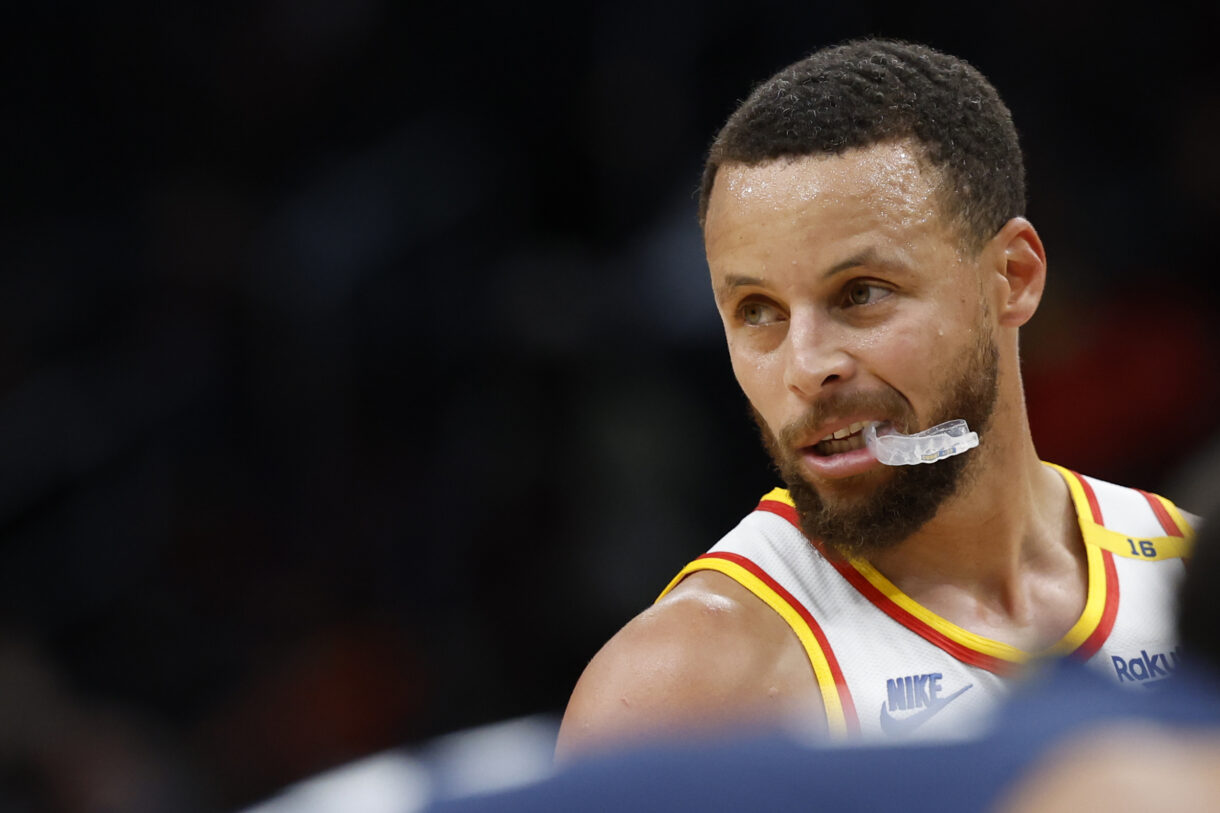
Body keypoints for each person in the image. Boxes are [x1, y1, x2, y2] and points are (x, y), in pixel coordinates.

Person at [554, 37, 1200, 759]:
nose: (806, 367)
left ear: (1012, 278)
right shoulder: (676, 694)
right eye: (758, 310)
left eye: (860, 293)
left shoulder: (1189, 574)